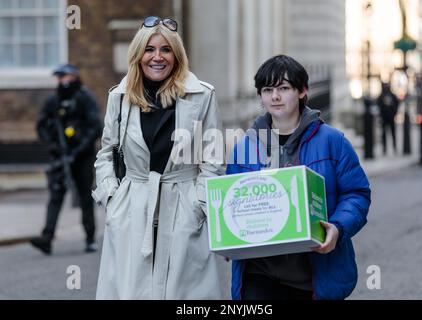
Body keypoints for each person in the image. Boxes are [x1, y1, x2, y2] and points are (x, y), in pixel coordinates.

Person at [92, 16, 228, 299]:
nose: (157, 57)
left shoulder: (202, 95)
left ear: (176, 56)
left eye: (166, 49)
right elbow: (106, 153)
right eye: (150, 49)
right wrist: (112, 198)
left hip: (182, 205)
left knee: (185, 295)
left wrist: (198, 205)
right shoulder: (119, 97)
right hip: (131, 207)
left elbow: (213, 159)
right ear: (138, 55)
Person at [226, 55, 371, 300]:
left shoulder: (332, 141)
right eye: (267, 90)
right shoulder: (244, 147)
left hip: (312, 274)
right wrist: (230, 237)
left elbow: (356, 194)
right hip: (258, 273)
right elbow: (232, 204)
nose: (275, 97)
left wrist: (337, 228)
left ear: (302, 91)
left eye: (283, 88)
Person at [31, 63, 102, 255]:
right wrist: (52, 144)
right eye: (59, 77)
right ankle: (47, 237)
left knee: (85, 196)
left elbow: (96, 126)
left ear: (74, 76)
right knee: (55, 195)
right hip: (60, 156)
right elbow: (41, 125)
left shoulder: (85, 98)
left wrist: (79, 149)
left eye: (65, 77)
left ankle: (89, 238)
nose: (63, 81)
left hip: (83, 156)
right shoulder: (53, 100)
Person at [377, 81, 399, 154]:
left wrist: (394, 113)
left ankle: (394, 147)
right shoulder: (382, 95)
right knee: (384, 134)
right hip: (384, 118)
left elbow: (396, 103)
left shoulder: (391, 95)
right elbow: (378, 104)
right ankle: (385, 148)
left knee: (392, 133)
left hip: (391, 117)